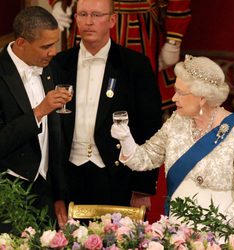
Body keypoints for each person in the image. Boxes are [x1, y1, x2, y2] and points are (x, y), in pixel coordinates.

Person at [111, 54, 234, 225]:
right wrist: (126, 139)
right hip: (178, 230)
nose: (174, 98)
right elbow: (145, 158)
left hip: (222, 233)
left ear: (202, 97)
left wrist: (226, 232)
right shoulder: (176, 121)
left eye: (180, 92)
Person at [53, 0, 162, 210]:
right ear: (75, 19)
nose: (89, 22)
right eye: (83, 14)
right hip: (68, 176)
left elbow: (150, 129)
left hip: (116, 175)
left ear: (112, 20)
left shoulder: (135, 66)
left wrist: (142, 188)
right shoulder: (58, 64)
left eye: (96, 15)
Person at [0, 6, 71, 231]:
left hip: (46, 194)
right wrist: (39, 111)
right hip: (8, 196)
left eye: (55, 44)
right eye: (46, 46)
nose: (53, 52)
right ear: (21, 42)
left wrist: (59, 195)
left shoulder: (50, 68)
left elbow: (55, 139)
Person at [49, 0, 191, 110]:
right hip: (88, 22)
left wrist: (174, 38)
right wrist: (57, 3)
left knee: (138, 103)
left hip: (138, 28)